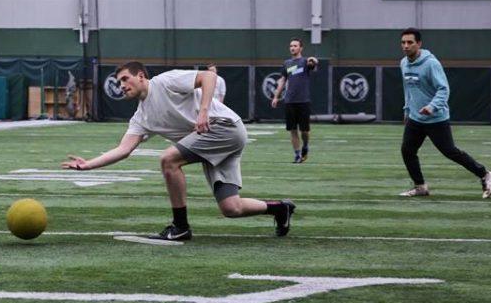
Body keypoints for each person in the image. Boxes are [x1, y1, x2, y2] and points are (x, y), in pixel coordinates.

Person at [63, 62, 295, 241]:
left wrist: (203, 112)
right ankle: (280, 209)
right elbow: (123, 149)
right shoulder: (141, 117)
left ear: (141, 76)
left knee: (168, 160)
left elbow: (209, 76)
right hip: (212, 141)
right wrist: (88, 165)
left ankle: (181, 227)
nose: (122, 85)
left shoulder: (164, 82)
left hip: (224, 128)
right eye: (119, 82)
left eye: (125, 78)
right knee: (231, 208)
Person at [398, 28, 491, 198]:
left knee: (450, 151)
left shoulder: (431, 63)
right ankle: (420, 186)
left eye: (410, 42)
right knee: (407, 150)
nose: (406, 46)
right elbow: (408, 89)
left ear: (419, 44)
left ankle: (485, 174)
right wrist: (407, 110)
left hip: (436, 118)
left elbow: (443, 89)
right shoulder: (403, 63)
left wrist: (432, 107)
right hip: (416, 118)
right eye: (403, 42)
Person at [271, 38, 318, 163]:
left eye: (295, 46)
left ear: (301, 48)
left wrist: (313, 60)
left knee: (304, 130)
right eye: (291, 46)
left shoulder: (305, 62)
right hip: (289, 101)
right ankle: (297, 155)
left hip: (303, 101)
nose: (292, 48)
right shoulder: (287, 63)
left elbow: (313, 63)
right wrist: (276, 96)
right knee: (292, 129)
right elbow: (282, 81)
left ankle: (305, 146)